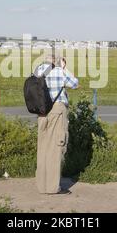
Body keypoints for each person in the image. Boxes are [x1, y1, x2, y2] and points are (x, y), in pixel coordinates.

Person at [34, 56, 79, 194]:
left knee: (43, 148)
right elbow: (75, 84)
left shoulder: (36, 71)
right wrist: (64, 67)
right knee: (55, 148)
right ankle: (53, 188)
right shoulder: (59, 71)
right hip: (57, 110)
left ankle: (41, 185)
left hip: (42, 113)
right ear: (55, 60)